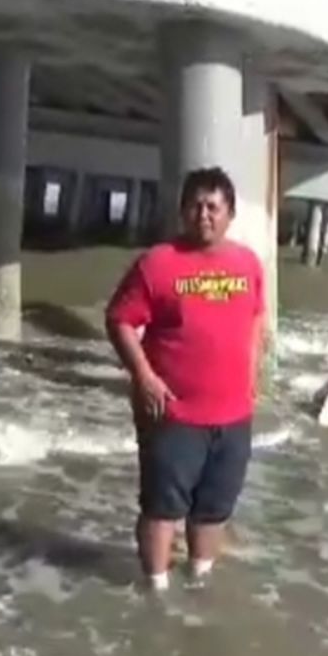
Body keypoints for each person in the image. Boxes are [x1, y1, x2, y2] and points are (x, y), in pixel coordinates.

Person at [105, 166, 265, 591]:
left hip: (233, 416)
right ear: (182, 212)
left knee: (213, 509)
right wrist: (144, 376)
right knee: (162, 508)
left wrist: (253, 374)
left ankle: (198, 583)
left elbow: (255, 320)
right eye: (195, 206)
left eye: (214, 206)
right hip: (173, 412)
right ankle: (154, 592)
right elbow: (119, 320)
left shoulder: (247, 263)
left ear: (230, 213)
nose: (204, 214)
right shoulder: (158, 264)